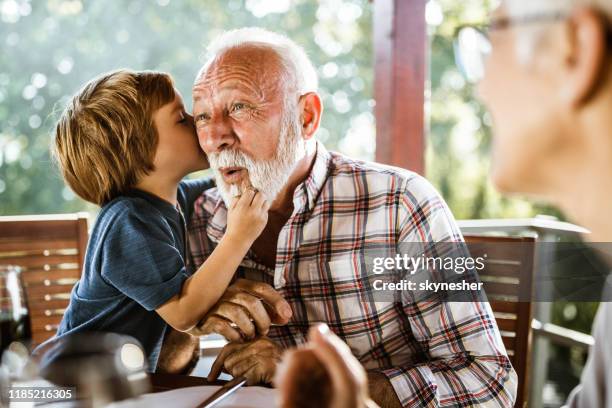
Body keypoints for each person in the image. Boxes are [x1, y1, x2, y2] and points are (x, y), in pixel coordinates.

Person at [280, 0, 612, 407]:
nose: (482, 85)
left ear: (575, 49)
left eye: (494, 40)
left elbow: (489, 381)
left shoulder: (400, 198)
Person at [188, 28, 517, 407]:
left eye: (239, 107)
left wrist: (309, 377)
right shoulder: (200, 218)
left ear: (306, 117)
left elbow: (489, 383)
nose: (214, 137)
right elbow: (159, 357)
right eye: (201, 115)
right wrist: (196, 311)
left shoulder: (400, 203)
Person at [41, 69, 287, 374]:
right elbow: (183, 312)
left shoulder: (173, 199)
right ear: (138, 150)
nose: (198, 123)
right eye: (181, 119)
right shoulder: (127, 222)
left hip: (119, 384)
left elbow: (227, 177)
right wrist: (239, 235)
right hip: (65, 385)